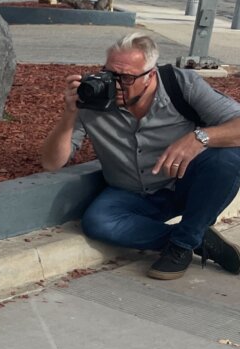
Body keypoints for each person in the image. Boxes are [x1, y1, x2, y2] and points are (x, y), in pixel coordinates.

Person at [41, 32, 240, 280]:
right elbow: (52, 162)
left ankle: (183, 244)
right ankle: (191, 238)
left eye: (126, 78)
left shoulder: (181, 85)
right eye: (110, 73)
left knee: (229, 158)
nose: (115, 84)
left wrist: (198, 138)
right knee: (99, 223)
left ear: (150, 76)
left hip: (183, 185)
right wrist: (69, 114)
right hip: (130, 192)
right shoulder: (92, 98)